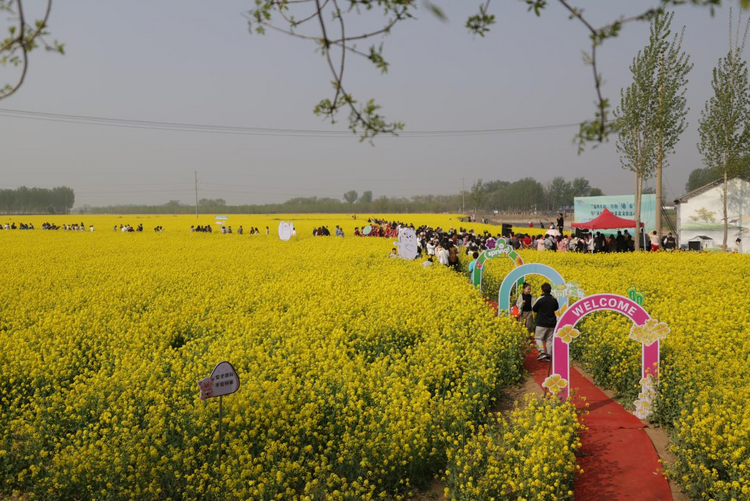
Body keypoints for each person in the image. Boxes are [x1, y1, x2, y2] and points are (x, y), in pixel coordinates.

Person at [532, 283, 559, 361]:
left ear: (542, 290)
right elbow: (556, 308)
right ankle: (548, 355)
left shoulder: (540, 299)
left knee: (538, 338)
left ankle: (542, 352)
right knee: (549, 340)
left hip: (541, 323)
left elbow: (534, 309)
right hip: (552, 323)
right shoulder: (554, 299)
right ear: (550, 290)